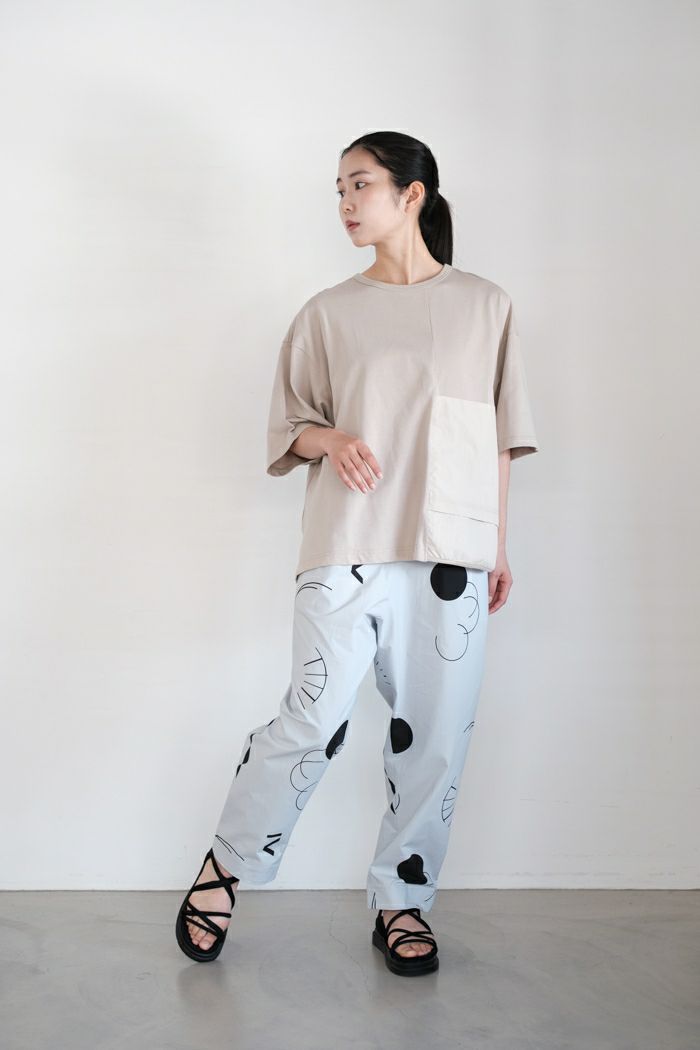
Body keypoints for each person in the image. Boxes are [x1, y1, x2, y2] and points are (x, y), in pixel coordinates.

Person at [175, 130, 540, 976]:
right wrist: (331, 437)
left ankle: (402, 901)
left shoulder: (485, 306)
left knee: (436, 738)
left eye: (359, 185)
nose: (344, 203)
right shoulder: (327, 313)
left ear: (412, 194)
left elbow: (498, 438)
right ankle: (226, 865)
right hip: (345, 544)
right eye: (338, 189)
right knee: (312, 721)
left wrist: (497, 547)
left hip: (449, 550)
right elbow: (289, 425)